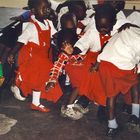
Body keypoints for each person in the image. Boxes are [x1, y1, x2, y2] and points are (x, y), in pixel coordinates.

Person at [8, 0, 62, 112]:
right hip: (32, 57)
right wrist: (12, 54)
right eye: (44, 8)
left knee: (41, 79)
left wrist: (64, 38)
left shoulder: (48, 23)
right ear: (33, 11)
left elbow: (55, 35)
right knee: (38, 78)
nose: (47, 10)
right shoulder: (31, 27)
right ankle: (18, 83)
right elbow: (20, 41)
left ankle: (34, 101)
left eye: (48, 8)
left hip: (43, 57)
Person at [96, 25, 140, 137]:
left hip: (105, 63)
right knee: (135, 82)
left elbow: (106, 45)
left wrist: (97, 62)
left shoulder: (127, 28)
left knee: (111, 95)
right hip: (121, 65)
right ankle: (135, 115)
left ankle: (112, 126)